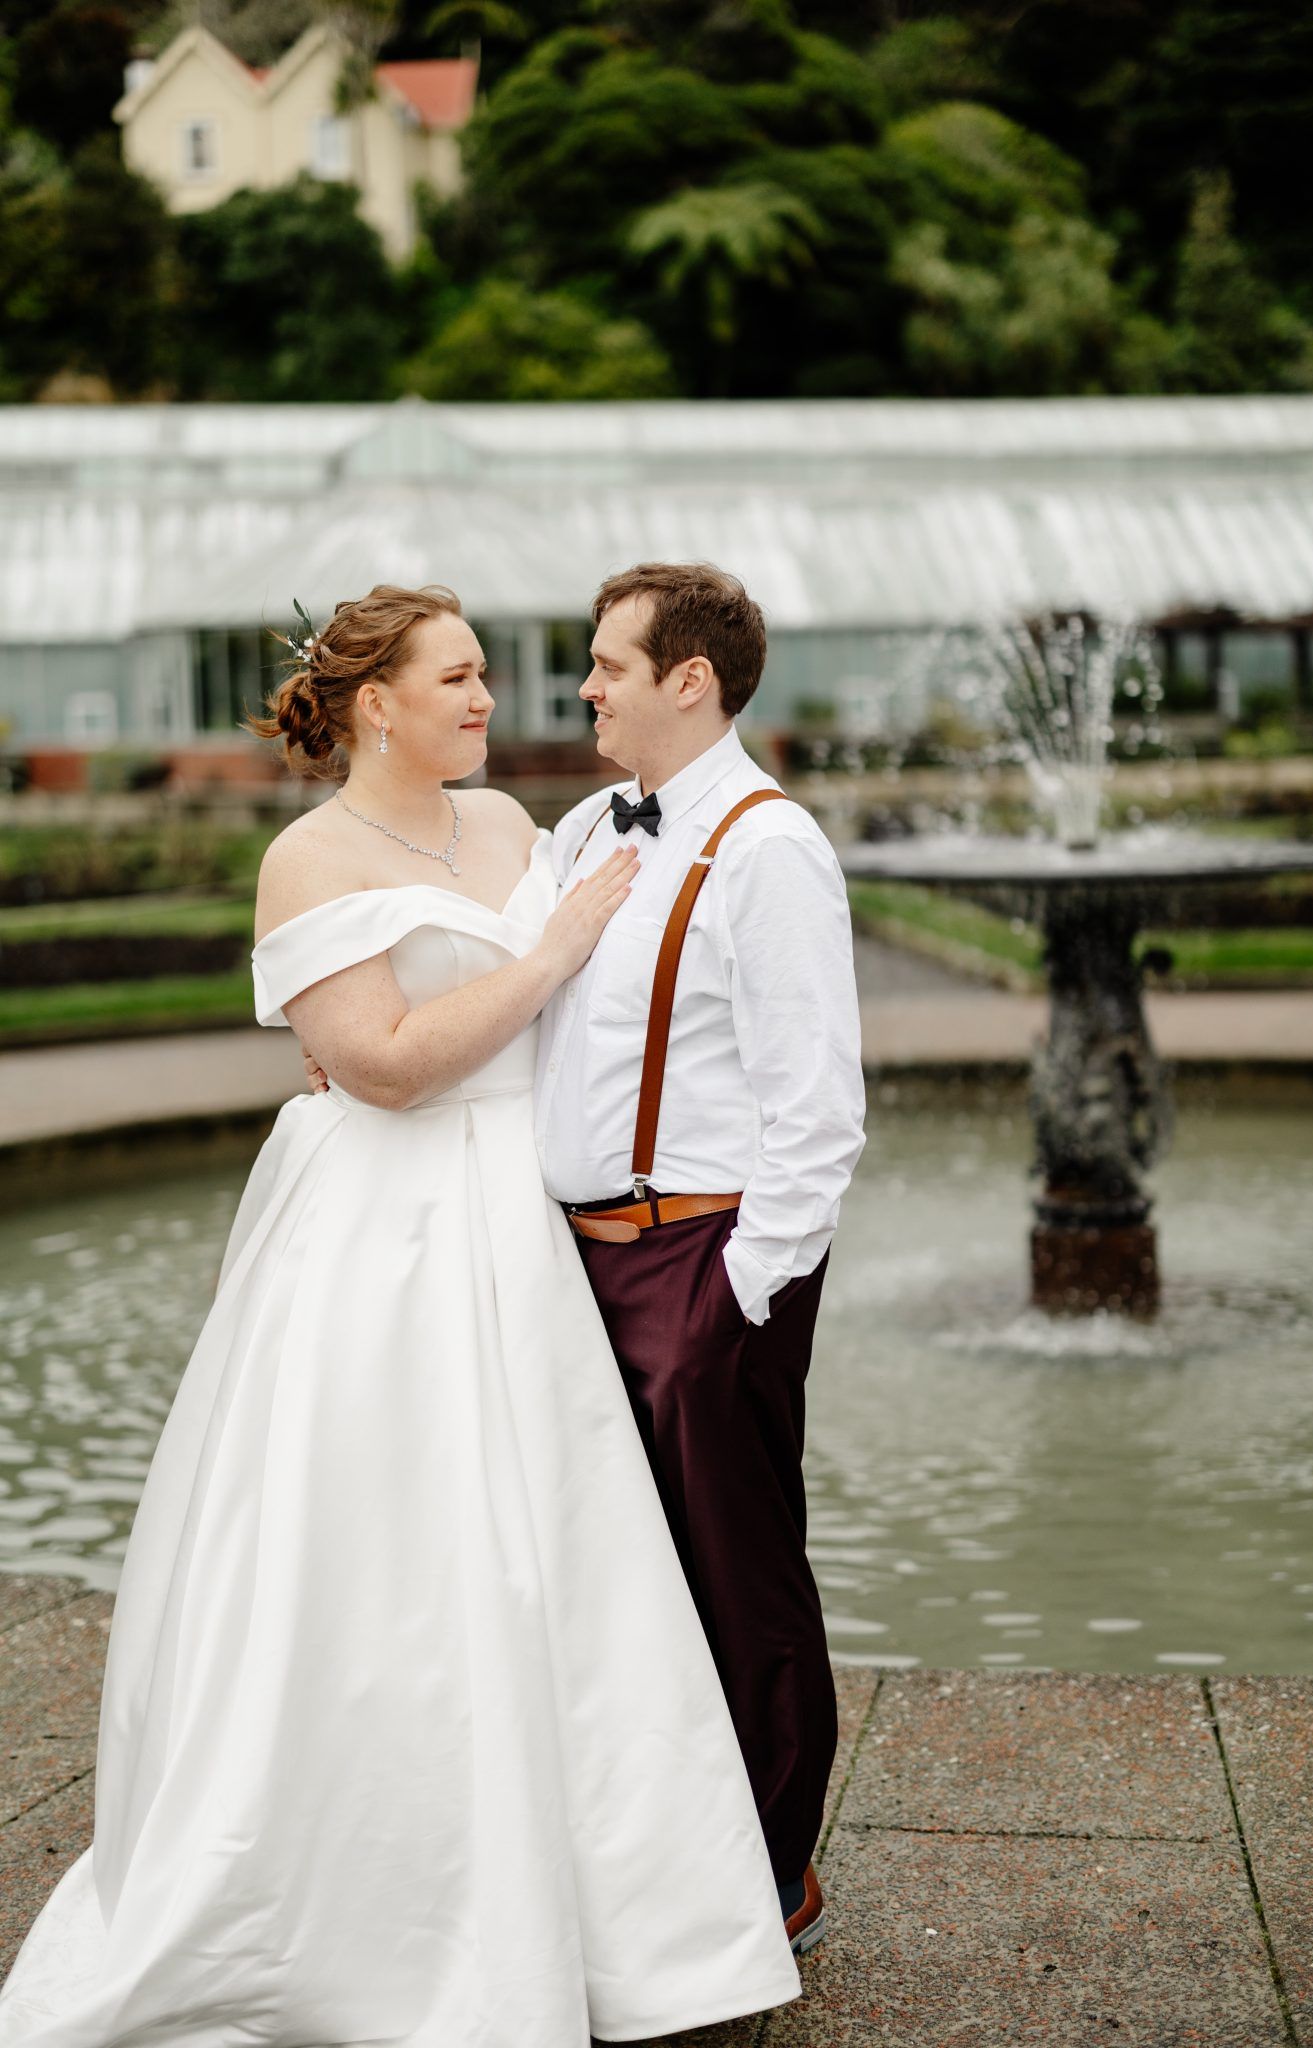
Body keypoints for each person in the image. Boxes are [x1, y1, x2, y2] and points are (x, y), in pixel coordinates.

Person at [0, 584, 802, 2048]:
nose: (492, 698)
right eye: (460, 677)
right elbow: (378, 1066)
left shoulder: (519, 828)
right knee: (388, 1549)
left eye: (487, 673)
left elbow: (602, 1008)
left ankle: (620, 1916)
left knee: (562, 1561)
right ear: (377, 704)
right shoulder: (305, 860)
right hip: (386, 1230)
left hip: (526, 1224)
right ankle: (368, 1911)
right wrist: (543, 959)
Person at [536, 563, 866, 1956]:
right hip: (569, 1261)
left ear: (690, 680)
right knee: (612, 1575)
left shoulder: (769, 847)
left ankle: (773, 1872)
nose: (585, 686)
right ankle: (648, 1855)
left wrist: (737, 1294)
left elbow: (818, 1110)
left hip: (703, 1261)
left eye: (608, 664)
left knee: (737, 1574)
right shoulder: (581, 828)